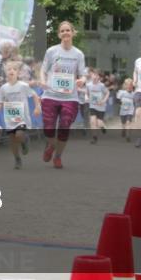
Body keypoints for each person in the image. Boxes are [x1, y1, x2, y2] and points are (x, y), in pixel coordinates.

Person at [39, 21, 87, 169]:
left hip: (70, 97)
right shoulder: (52, 51)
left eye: (68, 30)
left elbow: (83, 75)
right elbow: (43, 70)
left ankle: (58, 156)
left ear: (73, 32)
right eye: (63, 30)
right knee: (48, 128)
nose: (66, 33)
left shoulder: (78, 54)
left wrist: (81, 80)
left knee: (65, 126)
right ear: (59, 34)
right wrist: (42, 81)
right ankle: (52, 146)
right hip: (50, 94)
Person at [0, 61, 41, 169]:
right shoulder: (3, 88)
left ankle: (25, 141)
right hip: (10, 117)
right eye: (9, 69)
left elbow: (34, 95)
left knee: (19, 135)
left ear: (18, 73)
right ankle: (17, 159)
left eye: (14, 70)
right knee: (13, 140)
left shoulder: (23, 86)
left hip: (22, 117)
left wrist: (38, 107)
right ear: (5, 72)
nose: (11, 71)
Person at [86, 69, 109, 144]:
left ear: (99, 77)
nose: (95, 77)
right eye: (93, 75)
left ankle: (102, 126)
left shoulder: (101, 85)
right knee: (92, 121)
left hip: (101, 107)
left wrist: (103, 101)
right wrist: (86, 97)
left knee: (99, 123)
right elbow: (86, 93)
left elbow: (107, 93)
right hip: (92, 106)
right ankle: (94, 137)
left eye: (96, 75)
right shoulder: (88, 85)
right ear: (91, 76)